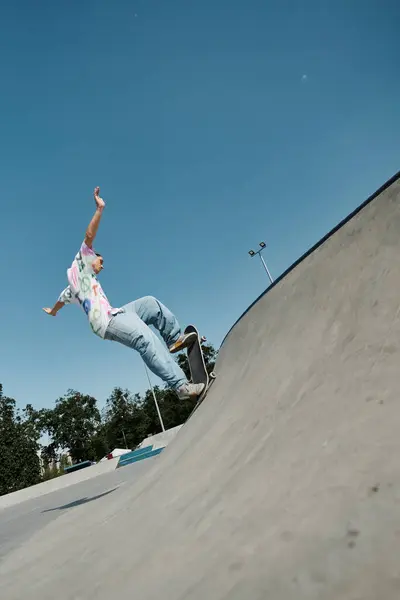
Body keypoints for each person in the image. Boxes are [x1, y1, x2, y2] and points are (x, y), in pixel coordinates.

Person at [43, 186, 204, 400]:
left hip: (118, 312)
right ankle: (181, 387)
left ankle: (174, 339)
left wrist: (53, 311)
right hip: (105, 323)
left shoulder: (74, 287)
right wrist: (100, 209)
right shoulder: (81, 263)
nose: (102, 266)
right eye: (101, 261)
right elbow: (89, 235)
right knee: (144, 339)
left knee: (149, 303)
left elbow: (60, 301)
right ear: (91, 258)